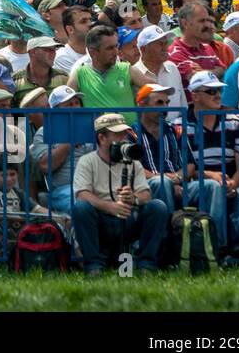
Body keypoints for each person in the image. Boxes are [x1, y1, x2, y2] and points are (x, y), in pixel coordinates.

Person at [71, 113, 170, 277]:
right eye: (118, 134)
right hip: (101, 220)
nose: (124, 138)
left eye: (124, 133)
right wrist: (110, 207)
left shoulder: (133, 161)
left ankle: (146, 264)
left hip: (128, 217)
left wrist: (134, 199)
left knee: (157, 207)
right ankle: (94, 265)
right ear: (101, 138)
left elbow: (146, 193)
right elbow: (82, 195)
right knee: (80, 208)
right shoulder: (87, 161)